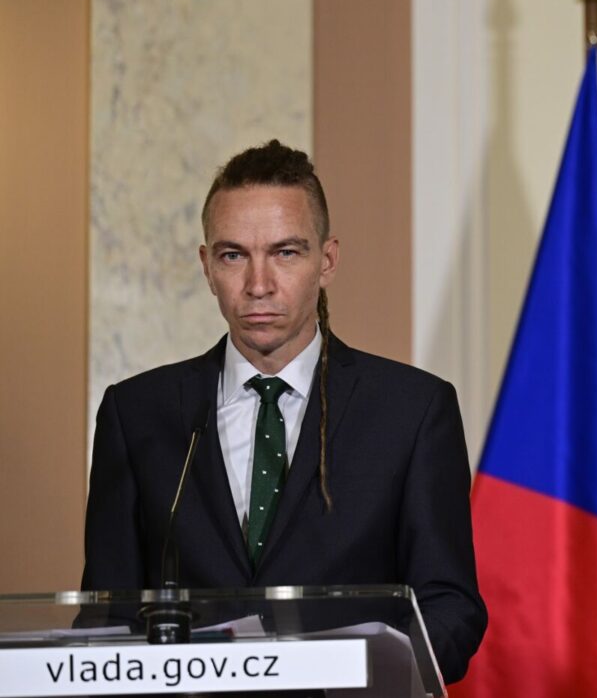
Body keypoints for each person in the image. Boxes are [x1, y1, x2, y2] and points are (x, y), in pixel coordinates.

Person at [82, 140, 486, 683]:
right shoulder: (136, 415)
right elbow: (104, 617)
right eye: (233, 255)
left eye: (286, 252)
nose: (258, 285)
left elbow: (450, 607)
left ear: (328, 260)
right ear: (207, 266)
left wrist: (353, 674)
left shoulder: (412, 412)